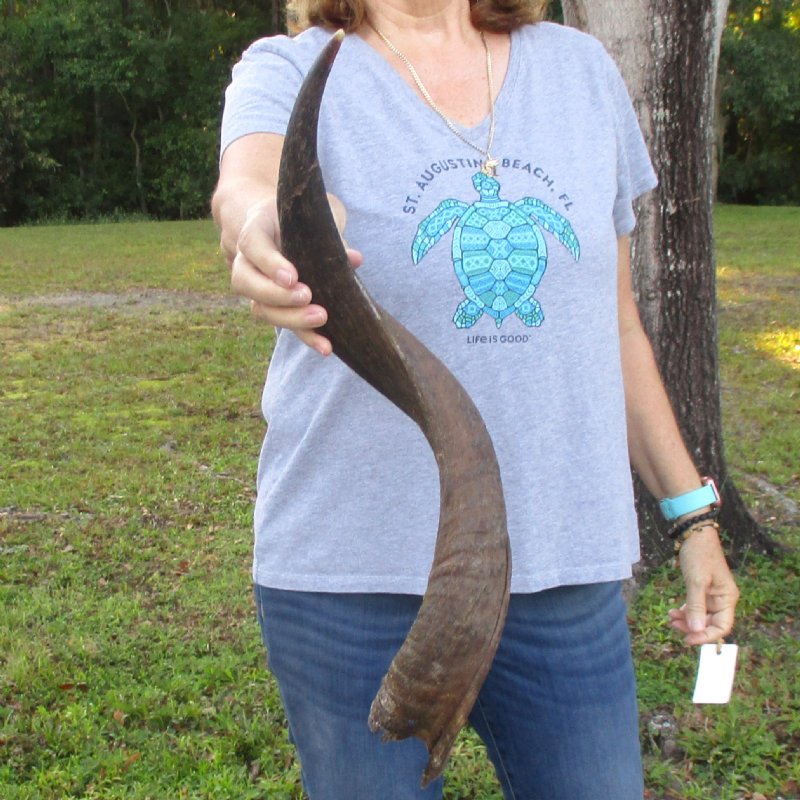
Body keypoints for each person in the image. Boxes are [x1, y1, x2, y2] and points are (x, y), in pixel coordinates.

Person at [212, 1, 740, 797]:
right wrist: (269, 226)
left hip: (561, 569)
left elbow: (617, 326)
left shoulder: (580, 72)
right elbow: (246, 189)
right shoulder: (287, 68)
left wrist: (693, 518)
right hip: (350, 583)